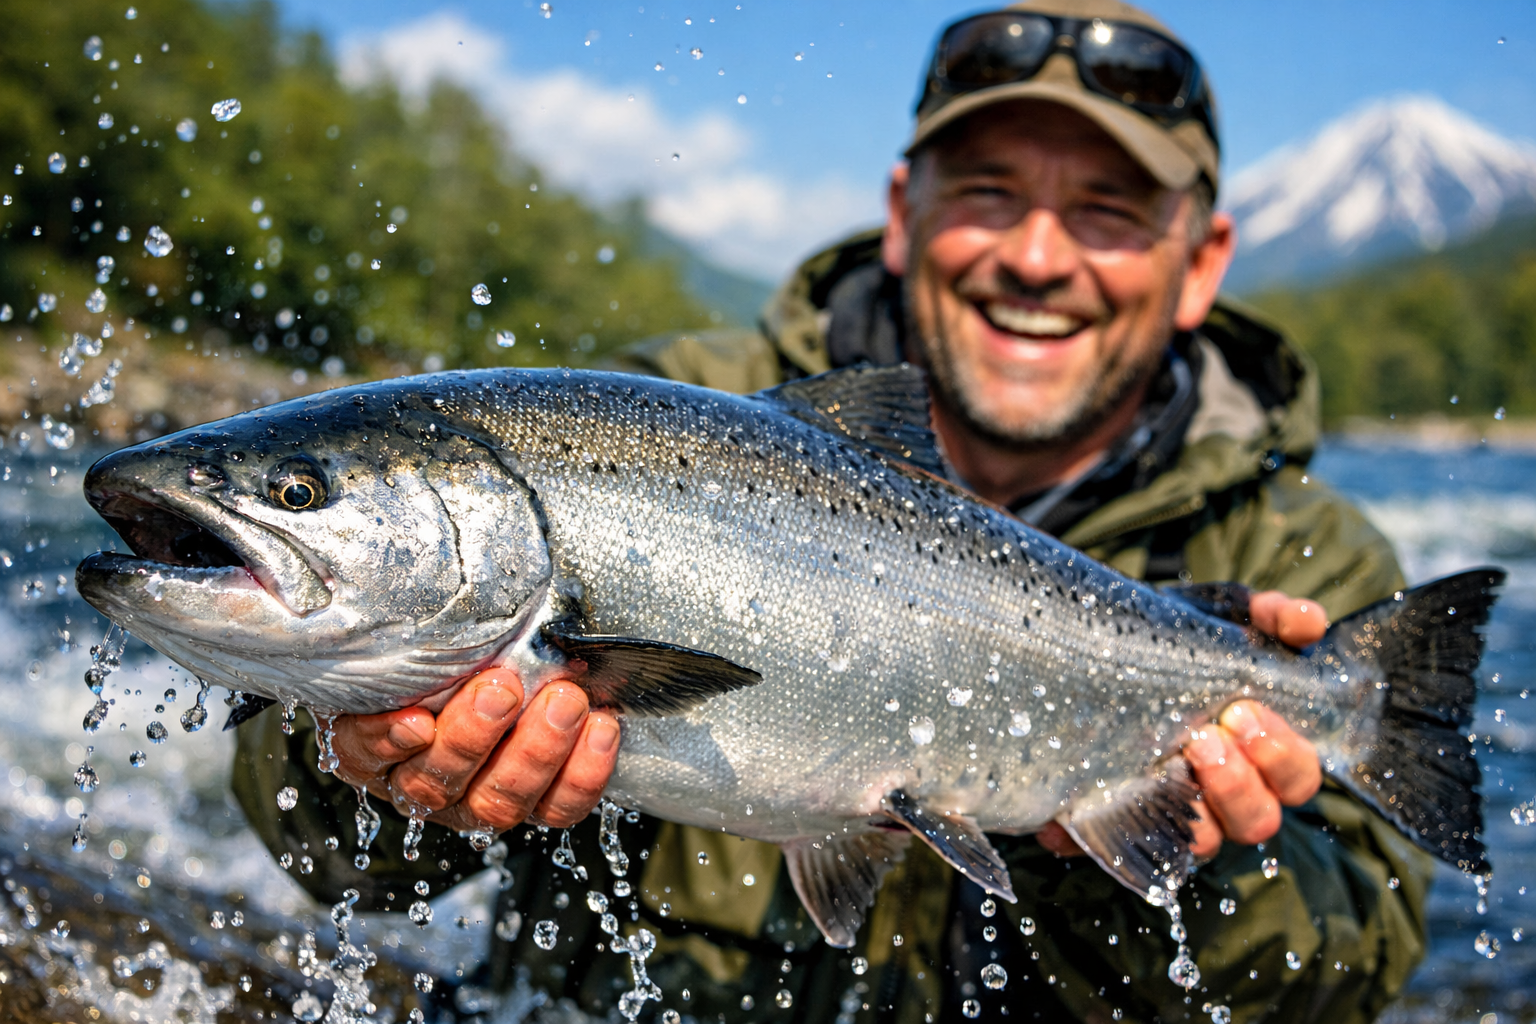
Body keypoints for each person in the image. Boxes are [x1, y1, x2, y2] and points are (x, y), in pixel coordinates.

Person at [232, 2, 1436, 1020]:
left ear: (1203, 259)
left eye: (1109, 212)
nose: (1035, 255)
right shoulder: (658, 412)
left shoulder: (1306, 560)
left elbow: (1356, 975)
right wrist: (374, 761)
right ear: (904, 212)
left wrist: (1170, 861)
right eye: (989, 190)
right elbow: (306, 846)